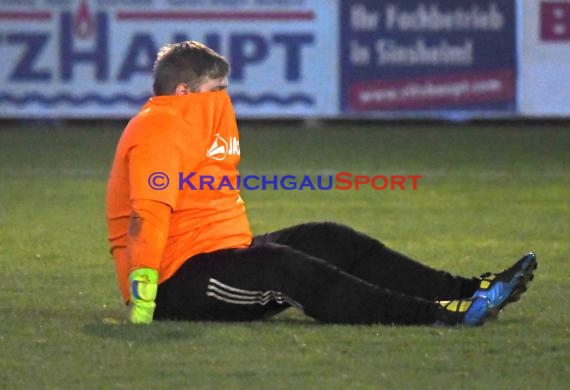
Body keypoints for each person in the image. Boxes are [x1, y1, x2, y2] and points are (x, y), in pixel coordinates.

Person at [105, 41, 537, 326]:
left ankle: (472, 290)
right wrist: (145, 300)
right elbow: (148, 212)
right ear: (183, 92)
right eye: (216, 89)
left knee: (329, 239)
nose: (224, 97)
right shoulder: (159, 127)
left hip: (217, 254)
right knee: (281, 266)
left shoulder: (189, 122)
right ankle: (441, 314)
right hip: (175, 282)